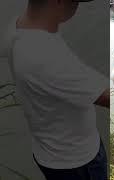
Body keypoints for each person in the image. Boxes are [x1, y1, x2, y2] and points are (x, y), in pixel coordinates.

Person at [0, 0, 108, 180]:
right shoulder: (47, 57)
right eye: (76, 1)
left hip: (48, 153)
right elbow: (109, 96)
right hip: (78, 162)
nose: (78, 6)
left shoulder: (18, 27)